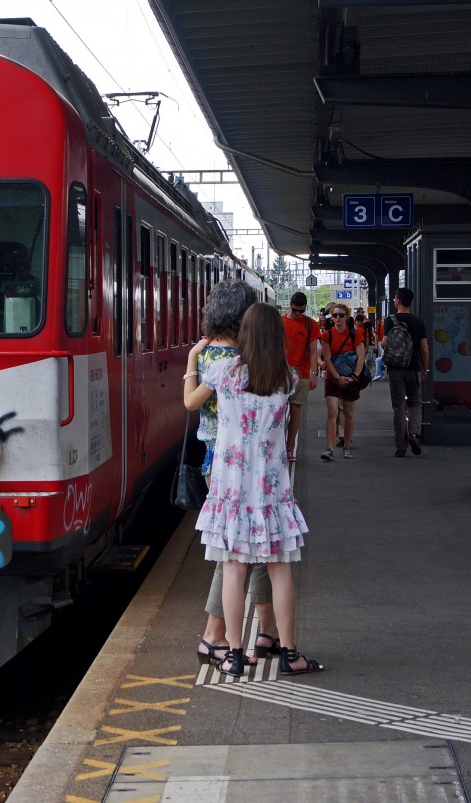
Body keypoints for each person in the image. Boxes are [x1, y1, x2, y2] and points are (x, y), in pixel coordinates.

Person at [184, 303, 324, 677]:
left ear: (244, 334)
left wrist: (192, 360)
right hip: (272, 489)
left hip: (232, 489)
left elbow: (189, 402)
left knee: (233, 569)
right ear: (276, 336)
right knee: (280, 570)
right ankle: (290, 653)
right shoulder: (288, 378)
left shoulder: (222, 371)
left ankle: (231, 654)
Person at [185, 280, 278, 666]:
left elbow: (191, 403)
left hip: (218, 461)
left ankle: (265, 630)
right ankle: (216, 634)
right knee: (240, 553)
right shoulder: (237, 361)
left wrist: (191, 360)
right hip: (233, 464)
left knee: (245, 551)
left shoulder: (208, 356)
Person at [382, 287, 430, 457]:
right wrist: (424, 368)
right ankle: (414, 434)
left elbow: (385, 343)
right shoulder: (418, 321)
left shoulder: (390, 320)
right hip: (414, 368)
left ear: (397, 301)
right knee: (416, 403)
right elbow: (424, 348)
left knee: (399, 407)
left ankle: (400, 447)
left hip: (396, 369)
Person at [319, 303, 365, 461]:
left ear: (347, 317)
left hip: (351, 378)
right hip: (332, 378)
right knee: (332, 413)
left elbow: (361, 357)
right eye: (335, 315)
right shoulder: (326, 336)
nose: (337, 318)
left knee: (349, 413)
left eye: (341, 315)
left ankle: (346, 446)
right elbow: (328, 359)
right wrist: (338, 377)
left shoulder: (355, 335)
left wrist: (354, 376)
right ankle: (329, 448)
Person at [281, 292, 319, 462]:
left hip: (302, 372)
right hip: (281, 373)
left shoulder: (311, 325)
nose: (298, 314)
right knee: (278, 412)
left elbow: (313, 350)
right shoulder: (280, 323)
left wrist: (313, 374)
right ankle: (279, 446)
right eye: (296, 311)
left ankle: (289, 448)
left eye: (301, 311)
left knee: (296, 411)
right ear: (290, 305)